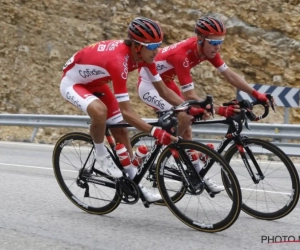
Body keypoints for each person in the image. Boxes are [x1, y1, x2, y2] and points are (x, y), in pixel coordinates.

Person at [60, 17, 196, 202]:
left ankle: (136, 185)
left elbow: (163, 90)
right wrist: (155, 132)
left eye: (159, 45)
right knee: (100, 112)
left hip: (96, 84)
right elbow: (127, 112)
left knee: (122, 132)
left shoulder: (145, 57)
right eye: (152, 46)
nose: (157, 50)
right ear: (137, 46)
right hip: (72, 83)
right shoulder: (118, 61)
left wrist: (187, 107)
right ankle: (101, 154)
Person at [137, 16, 273, 192]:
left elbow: (229, 75)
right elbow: (190, 96)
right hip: (149, 86)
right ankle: (154, 157)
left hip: (167, 82)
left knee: (187, 128)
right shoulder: (182, 55)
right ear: (200, 39)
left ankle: (196, 172)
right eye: (213, 42)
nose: (218, 47)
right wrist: (221, 110)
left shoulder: (207, 50)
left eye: (220, 42)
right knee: (185, 116)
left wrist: (257, 94)